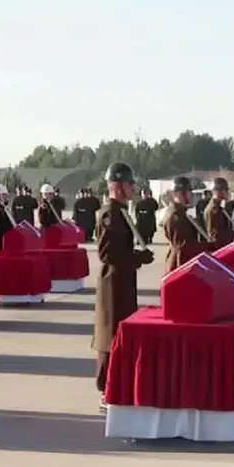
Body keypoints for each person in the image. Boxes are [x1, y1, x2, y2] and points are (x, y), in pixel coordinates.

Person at [92, 162, 153, 409]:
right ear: (117, 186)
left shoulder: (121, 211)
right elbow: (107, 254)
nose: (133, 188)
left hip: (124, 280)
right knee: (110, 335)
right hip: (113, 284)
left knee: (119, 333)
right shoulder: (110, 214)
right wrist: (137, 257)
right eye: (129, 184)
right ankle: (106, 390)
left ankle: (116, 386)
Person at [162, 176, 208, 272]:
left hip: (182, 263)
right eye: (188, 192)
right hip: (179, 265)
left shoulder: (181, 213)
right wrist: (206, 246)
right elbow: (183, 248)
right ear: (179, 193)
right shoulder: (175, 216)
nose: (190, 195)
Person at [204, 177, 234, 248]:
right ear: (219, 191)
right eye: (226, 190)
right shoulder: (213, 210)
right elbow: (213, 235)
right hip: (220, 247)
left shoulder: (219, 207)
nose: (227, 193)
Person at [0, 184, 18, 253]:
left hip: (6, 240)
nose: (6, 197)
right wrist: (11, 229)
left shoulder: (4, 207)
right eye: (4, 194)